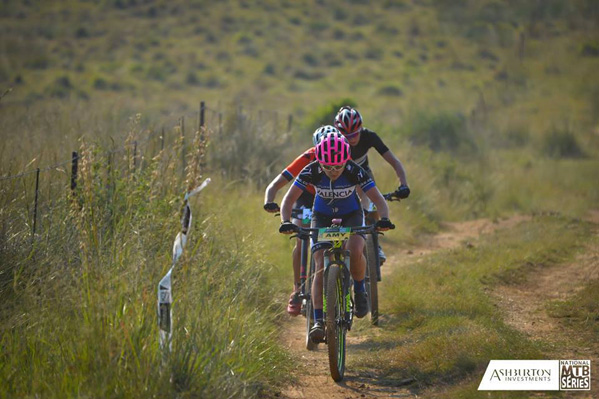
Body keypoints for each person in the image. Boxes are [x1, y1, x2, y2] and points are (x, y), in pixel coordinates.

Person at [278, 129, 394, 342]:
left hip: (351, 214)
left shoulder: (355, 170)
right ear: (319, 161)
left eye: (338, 166)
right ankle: (318, 321)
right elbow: (287, 200)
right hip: (321, 216)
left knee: (356, 249)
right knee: (320, 264)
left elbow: (377, 199)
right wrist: (285, 221)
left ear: (346, 161)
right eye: (327, 167)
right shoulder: (310, 170)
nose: (333, 171)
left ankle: (359, 291)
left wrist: (383, 218)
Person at [263, 126, 334, 316]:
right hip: (305, 200)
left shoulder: (341, 158)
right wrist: (269, 201)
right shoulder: (307, 158)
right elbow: (277, 183)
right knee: (302, 238)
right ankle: (298, 287)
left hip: (329, 201)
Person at [333, 106, 410, 263]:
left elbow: (394, 161)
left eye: (355, 134)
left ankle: (375, 244)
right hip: (342, 175)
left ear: (361, 128)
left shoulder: (369, 136)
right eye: (346, 135)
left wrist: (403, 184)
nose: (352, 139)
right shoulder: (333, 140)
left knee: (373, 203)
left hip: (364, 173)